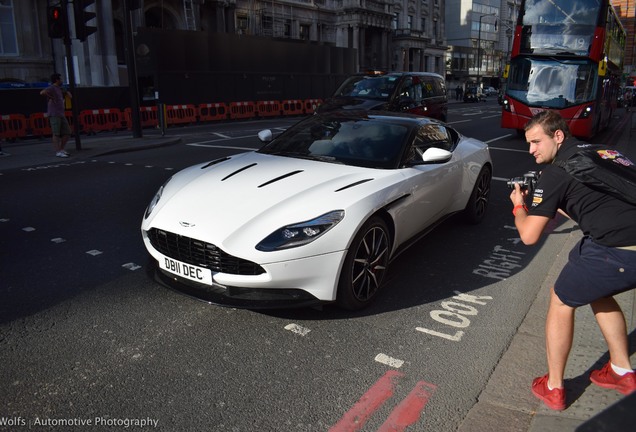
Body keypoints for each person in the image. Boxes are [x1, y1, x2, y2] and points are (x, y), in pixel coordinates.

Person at [509, 110, 636, 411]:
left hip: (619, 250)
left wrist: (518, 207)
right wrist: (547, 202)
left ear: (558, 136)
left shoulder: (555, 174)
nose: (531, 150)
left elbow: (528, 236)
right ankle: (621, 370)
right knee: (595, 289)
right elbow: (593, 200)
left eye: (537, 142)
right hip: (625, 244)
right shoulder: (599, 151)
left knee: (561, 299)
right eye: (528, 143)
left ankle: (554, 387)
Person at [40, 73, 72, 158]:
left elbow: (70, 97)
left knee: (67, 132)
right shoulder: (52, 88)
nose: (62, 81)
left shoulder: (59, 89)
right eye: (60, 79)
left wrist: (67, 92)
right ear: (57, 80)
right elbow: (42, 92)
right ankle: (58, 151)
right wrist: (51, 97)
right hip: (54, 114)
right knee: (56, 133)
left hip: (61, 113)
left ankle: (61, 149)